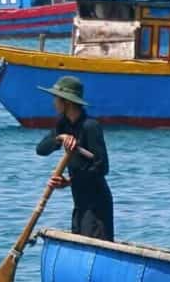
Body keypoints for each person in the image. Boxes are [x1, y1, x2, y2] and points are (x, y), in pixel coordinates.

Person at [36, 76, 114, 241]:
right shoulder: (63, 125)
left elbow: (102, 167)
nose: (53, 103)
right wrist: (60, 138)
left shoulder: (90, 126)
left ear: (67, 102)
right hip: (79, 203)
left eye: (56, 98)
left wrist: (69, 181)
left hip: (97, 204)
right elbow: (41, 150)